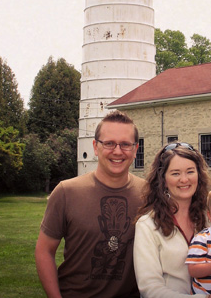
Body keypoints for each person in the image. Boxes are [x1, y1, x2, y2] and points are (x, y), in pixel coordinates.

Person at [35, 110, 145, 298]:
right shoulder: (66, 192)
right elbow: (44, 250)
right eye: (109, 143)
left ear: (135, 149)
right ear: (95, 146)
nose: (117, 151)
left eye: (125, 144)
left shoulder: (149, 194)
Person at [133, 143, 211, 298]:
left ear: (199, 175)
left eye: (190, 171)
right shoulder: (148, 225)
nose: (184, 179)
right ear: (162, 179)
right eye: (175, 173)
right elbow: (150, 289)